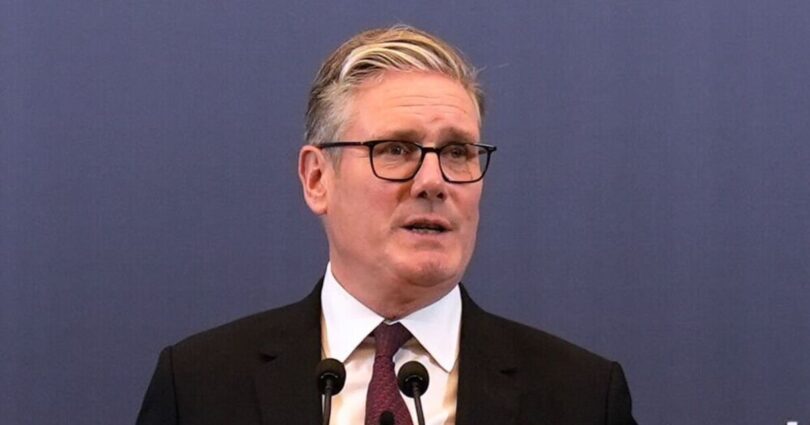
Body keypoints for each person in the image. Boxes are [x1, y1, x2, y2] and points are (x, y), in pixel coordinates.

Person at [137, 25, 638, 425]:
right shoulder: (200, 386)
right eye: (396, 149)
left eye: (457, 152)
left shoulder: (582, 397)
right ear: (317, 179)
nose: (433, 181)